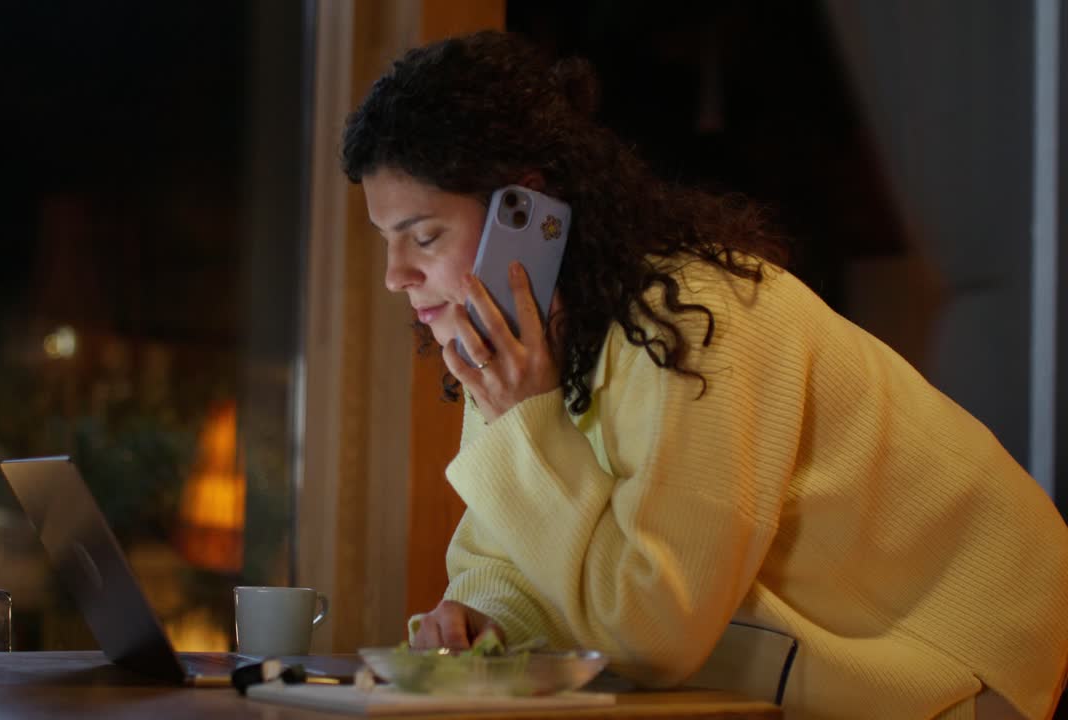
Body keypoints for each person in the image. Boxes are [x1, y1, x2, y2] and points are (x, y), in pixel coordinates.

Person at [341, 31, 1068, 720]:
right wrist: (481, 619)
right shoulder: (523, 353)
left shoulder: (698, 319)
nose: (395, 278)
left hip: (959, 653)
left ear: (527, 212)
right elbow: (517, 552)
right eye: (385, 241)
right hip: (819, 665)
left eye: (425, 236)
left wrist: (530, 417)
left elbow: (656, 632)